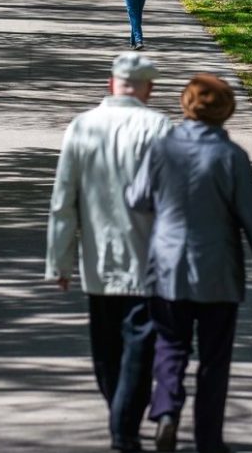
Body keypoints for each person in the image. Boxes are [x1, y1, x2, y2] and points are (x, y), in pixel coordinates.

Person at [125, 74, 252, 453]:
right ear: (225, 112)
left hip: (167, 269)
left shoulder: (161, 149)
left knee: (170, 345)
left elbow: (136, 198)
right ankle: (208, 440)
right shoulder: (231, 157)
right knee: (214, 358)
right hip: (217, 272)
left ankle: (166, 411)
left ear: (186, 105)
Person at [46, 53, 173, 453]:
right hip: (148, 259)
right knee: (141, 343)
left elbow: (63, 201)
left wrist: (59, 262)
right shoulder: (160, 127)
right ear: (149, 90)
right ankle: (124, 428)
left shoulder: (82, 127)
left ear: (110, 83)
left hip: (98, 260)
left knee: (105, 348)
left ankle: (121, 421)